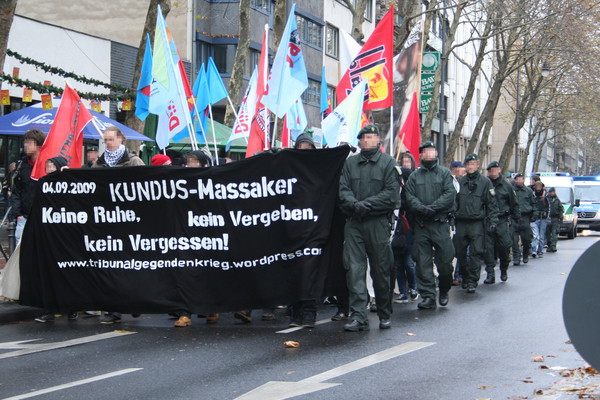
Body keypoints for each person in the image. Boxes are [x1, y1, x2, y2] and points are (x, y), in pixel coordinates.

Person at [339, 124, 400, 331]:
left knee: (381, 270)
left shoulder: (388, 163)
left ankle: (384, 313)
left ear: (378, 140)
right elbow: (343, 190)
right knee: (354, 270)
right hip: (355, 222)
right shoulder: (351, 164)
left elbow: (392, 194)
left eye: (370, 137)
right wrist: (355, 205)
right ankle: (358, 316)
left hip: (377, 223)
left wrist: (368, 205)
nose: (366, 140)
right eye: (363, 137)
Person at [93, 127, 144, 324]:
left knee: (130, 267)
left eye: (111, 139)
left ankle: (134, 302)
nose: (108, 143)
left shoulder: (133, 161)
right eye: (105, 140)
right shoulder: (99, 163)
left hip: (130, 223)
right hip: (108, 222)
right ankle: (115, 310)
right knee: (111, 267)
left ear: (121, 139)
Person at [404, 141, 456, 309]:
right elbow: (409, 195)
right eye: (425, 151)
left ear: (436, 153)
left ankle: (444, 289)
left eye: (432, 150)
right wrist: (420, 208)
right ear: (421, 154)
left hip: (440, 224)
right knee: (422, 262)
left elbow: (449, 194)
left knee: (446, 262)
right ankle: (428, 295)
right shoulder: (414, 176)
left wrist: (433, 208)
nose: (429, 153)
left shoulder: (445, 173)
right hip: (422, 225)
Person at [35, 156, 77, 322]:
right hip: (49, 237)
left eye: (53, 166)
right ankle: (49, 309)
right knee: (49, 274)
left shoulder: (70, 184)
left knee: (69, 273)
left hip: (67, 238)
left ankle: (72, 307)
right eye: (48, 166)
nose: (50, 169)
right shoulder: (42, 184)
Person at [454, 153, 499, 293]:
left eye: (473, 164)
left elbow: (491, 204)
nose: (471, 167)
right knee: (460, 253)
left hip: (477, 223)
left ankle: (473, 280)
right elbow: (454, 202)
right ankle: (465, 277)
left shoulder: (485, 182)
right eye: (468, 164)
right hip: (461, 223)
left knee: (475, 253)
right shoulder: (460, 182)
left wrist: (493, 221)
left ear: (478, 165)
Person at [483, 162, 520, 284]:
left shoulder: (507, 186)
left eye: (495, 170)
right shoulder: (485, 184)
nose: (493, 172)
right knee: (488, 249)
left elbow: (514, 203)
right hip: (487, 220)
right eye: (491, 170)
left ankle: (504, 269)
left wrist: (516, 219)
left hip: (502, 220)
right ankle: (490, 274)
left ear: (499, 170)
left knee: (504, 247)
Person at [11, 129, 46, 243]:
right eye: (25, 142)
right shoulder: (22, 165)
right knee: (19, 250)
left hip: (42, 216)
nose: (26, 146)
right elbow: (16, 190)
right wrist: (18, 214)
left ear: (39, 145)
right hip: (24, 216)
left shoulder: (47, 165)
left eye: (29, 143)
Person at [392, 167, 419, 304]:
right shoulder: (393, 190)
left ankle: (413, 288)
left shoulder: (410, 192)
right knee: (398, 264)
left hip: (408, 231)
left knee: (408, 263)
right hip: (396, 232)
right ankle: (403, 291)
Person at [511, 173, 536, 265]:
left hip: (525, 217)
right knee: (513, 239)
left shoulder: (528, 191)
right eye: (517, 179)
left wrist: (534, 214)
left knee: (526, 239)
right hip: (514, 218)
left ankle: (525, 254)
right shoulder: (512, 190)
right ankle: (516, 257)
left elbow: (533, 203)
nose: (519, 181)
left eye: (521, 179)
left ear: (523, 180)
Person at [450, 161, 465, 286]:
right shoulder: (450, 181)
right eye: (460, 168)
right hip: (453, 220)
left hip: (463, 220)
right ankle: (455, 274)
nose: (462, 170)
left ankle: (460, 274)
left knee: (461, 250)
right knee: (453, 250)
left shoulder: (463, 182)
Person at [531, 180, 549, 258]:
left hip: (543, 218)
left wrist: (547, 217)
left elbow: (549, 207)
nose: (538, 188)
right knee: (535, 235)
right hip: (534, 219)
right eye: (536, 186)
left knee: (541, 236)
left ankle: (540, 251)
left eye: (539, 186)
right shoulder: (532, 195)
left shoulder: (545, 196)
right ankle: (534, 250)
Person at [546, 187, 563, 253]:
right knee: (547, 234)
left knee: (554, 233)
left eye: (553, 192)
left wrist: (561, 217)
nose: (552, 193)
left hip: (555, 218)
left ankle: (553, 246)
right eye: (551, 192)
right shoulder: (547, 199)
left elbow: (560, 209)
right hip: (548, 218)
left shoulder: (557, 200)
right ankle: (549, 245)